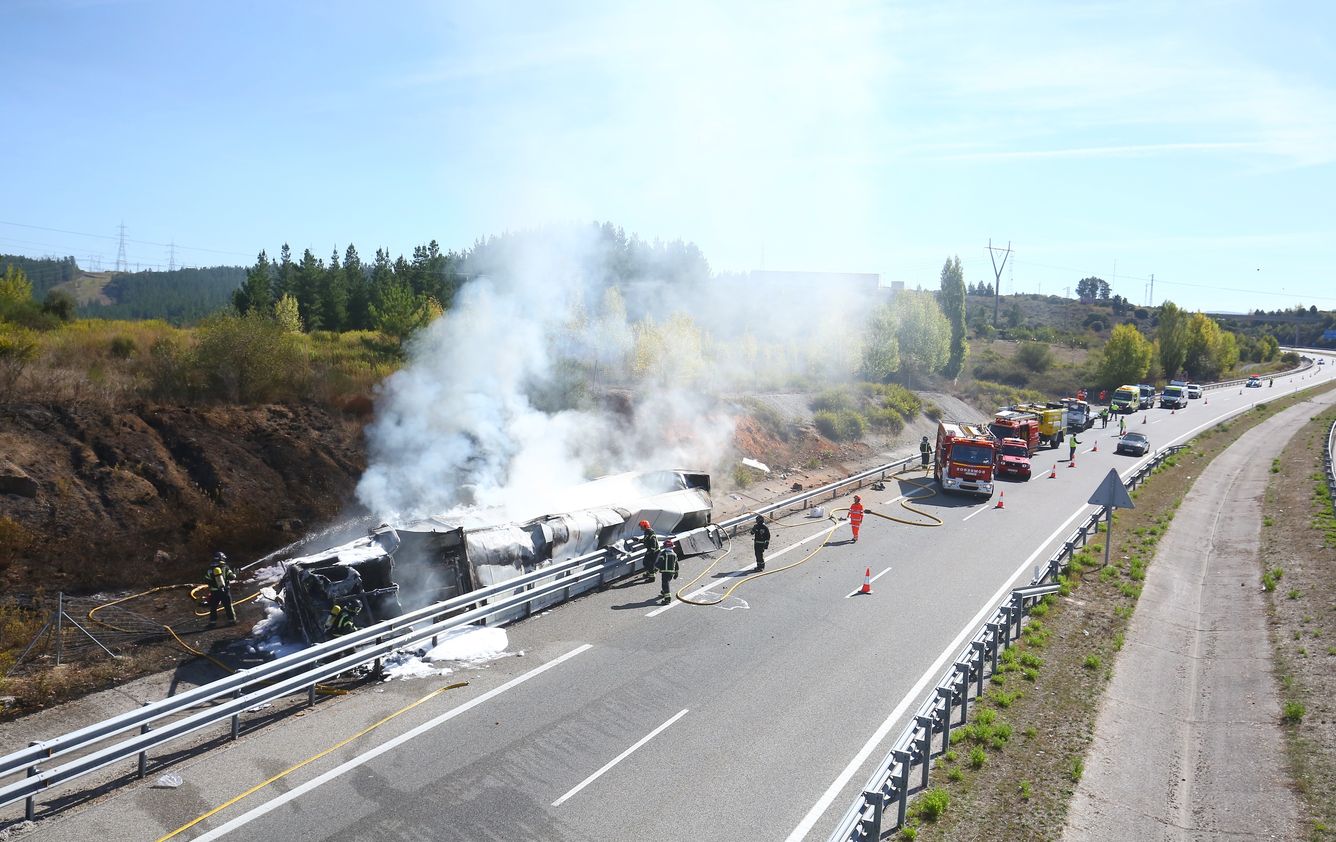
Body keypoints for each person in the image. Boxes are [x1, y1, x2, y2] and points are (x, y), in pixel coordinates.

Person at [204, 551, 236, 625]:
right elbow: (231, 577)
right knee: (228, 606)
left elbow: (206, 580)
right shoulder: (225, 568)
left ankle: (212, 622)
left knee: (213, 608)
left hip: (214, 592)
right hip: (224, 591)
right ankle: (231, 621)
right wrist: (235, 574)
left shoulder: (210, 569)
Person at [654, 539, 679, 604]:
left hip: (665, 572)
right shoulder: (674, 554)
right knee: (666, 583)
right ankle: (664, 592)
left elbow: (660, 562)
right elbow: (676, 564)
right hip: (671, 573)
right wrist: (676, 572)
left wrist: (656, 568)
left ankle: (667, 599)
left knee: (665, 584)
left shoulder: (664, 553)